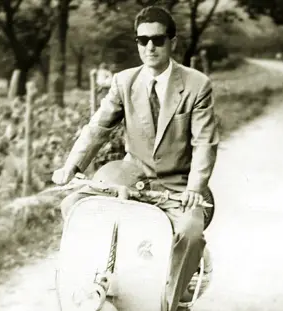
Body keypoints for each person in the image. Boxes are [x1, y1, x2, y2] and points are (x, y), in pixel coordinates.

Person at [51, 5, 219, 311]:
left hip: (177, 185)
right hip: (132, 175)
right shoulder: (124, 81)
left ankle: (170, 301)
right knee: (73, 206)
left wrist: (195, 187)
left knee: (190, 233)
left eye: (157, 39)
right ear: (137, 43)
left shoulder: (197, 86)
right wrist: (70, 166)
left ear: (172, 42)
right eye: (143, 40)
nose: (150, 47)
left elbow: (205, 142)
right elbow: (98, 128)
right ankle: (95, 284)